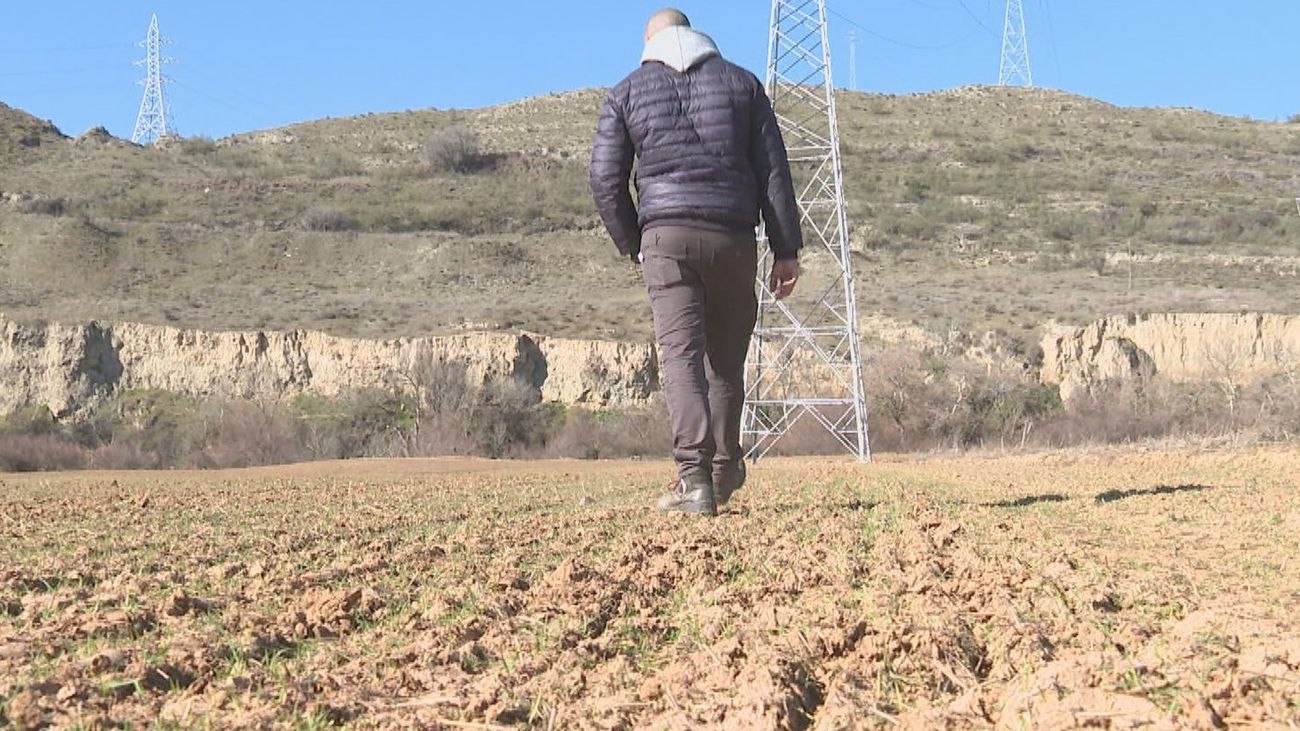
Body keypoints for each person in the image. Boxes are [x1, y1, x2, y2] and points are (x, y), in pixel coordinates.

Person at [589, 7, 803, 517]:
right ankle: (725, 469)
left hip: (666, 238)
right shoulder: (743, 85)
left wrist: (634, 241)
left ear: (649, 42)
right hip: (734, 237)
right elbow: (774, 172)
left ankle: (695, 481)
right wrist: (786, 249)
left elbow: (603, 179)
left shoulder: (626, 92)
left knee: (681, 357)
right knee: (725, 361)